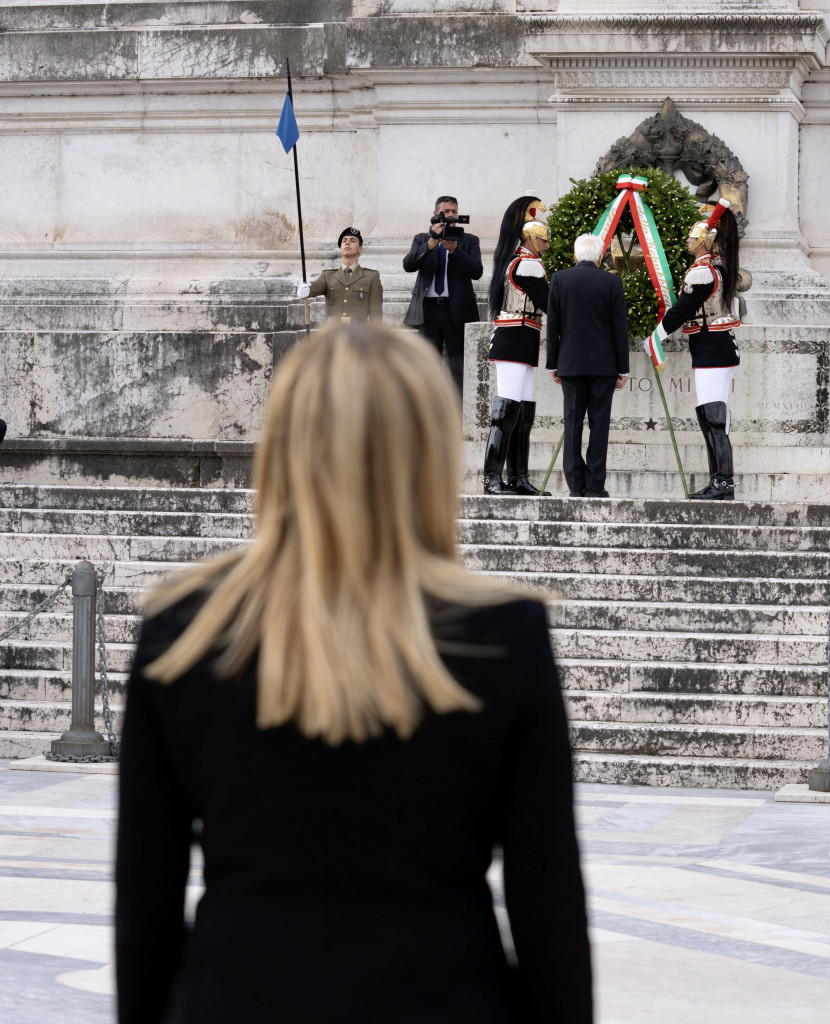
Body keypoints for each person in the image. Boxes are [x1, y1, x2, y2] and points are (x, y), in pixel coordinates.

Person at [115, 321, 592, 1024]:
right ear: (429, 451)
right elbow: (546, 906)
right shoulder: (502, 635)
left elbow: (145, 905)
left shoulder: (185, 631)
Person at [642, 199, 742, 500]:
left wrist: (656, 336)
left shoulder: (702, 272)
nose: (687, 239)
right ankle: (721, 483)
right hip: (718, 348)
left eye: (690, 236)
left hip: (711, 348)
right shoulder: (717, 269)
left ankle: (722, 484)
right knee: (715, 417)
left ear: (702, 241)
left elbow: (681, 310)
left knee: (713, 417)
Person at [545, 233, 629, 498]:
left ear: (575, 255)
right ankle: (594, 486)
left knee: (573, 426)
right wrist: (622, 368)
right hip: (604, 366)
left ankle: (575, 485)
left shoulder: (560, 279)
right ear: (601, 257)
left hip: (570, 364)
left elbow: (553, 326)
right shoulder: (612, 282)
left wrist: (552, 364)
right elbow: (619, 329)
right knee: (599, 426)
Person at [483, 195, 552, 496]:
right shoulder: (527, 265)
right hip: (514, 337)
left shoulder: (524, 262)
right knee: (506, 409)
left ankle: (518, 478)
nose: (547, 246)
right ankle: (492, 478)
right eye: (544, 240)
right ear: (532, 239)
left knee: (522, 412)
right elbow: (548, 303)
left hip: (523, 337)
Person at [403, 195, 484, 395]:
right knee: (427, 365)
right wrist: (431, 243)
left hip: (456, 309)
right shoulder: (422, 239)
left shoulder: (469, 240)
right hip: (428, 310)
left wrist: (455, 251)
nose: (450, 215)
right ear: (436, 214)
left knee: (459, 365)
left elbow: (477, 272)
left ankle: (457, 414)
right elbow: (408, 265)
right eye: (446, 212)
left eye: (454, 212)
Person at [296, 227, 383, 323]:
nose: (347, 243)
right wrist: (308, 289)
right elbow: (318, 285)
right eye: (344, 241)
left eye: (352, 240)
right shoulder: (328, 275)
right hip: (333, 333)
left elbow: (376, 315)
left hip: (359, 334)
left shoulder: (371, 277)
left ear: (360, 249)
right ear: (340, 248)